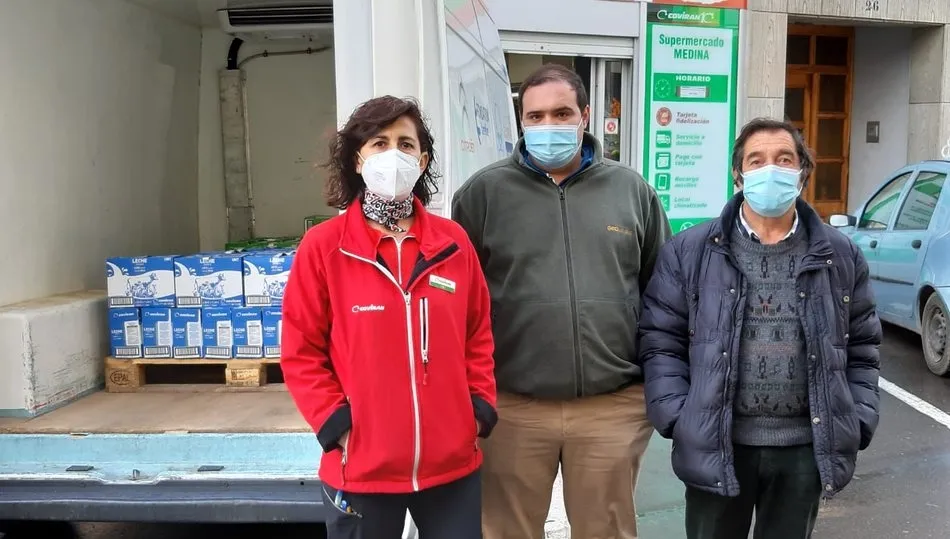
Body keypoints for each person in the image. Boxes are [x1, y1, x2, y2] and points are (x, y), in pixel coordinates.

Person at [452, 63, 672, 539]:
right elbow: (459, 305)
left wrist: (651, 391)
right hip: (512, 406)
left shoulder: (632, 191)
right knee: (505, 531)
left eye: (561, 113)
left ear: (585, 115)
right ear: (521, 122)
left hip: (610, 407)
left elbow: (664, 295)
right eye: (534, 116)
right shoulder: (482, 195)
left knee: (606, 532)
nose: (547, 126)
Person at [637, 117, 883, 539]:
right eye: (757, 160)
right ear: (739, 173)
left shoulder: (840, 255)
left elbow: (862, 346)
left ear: (803, 171)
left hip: (804, 450)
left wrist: (858, 418)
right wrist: (679, 417)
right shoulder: (690, 251)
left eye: (784, 159)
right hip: (717, 443)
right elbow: (661, 341)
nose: (771, 169)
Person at [281, 95, 498, 539]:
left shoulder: (452, 242)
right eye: (379, 143)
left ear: (422, 161)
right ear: (357, 160)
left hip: (451, 464)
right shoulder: (324, 247)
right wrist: (336, 425)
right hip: (361, 467)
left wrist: (477, 410)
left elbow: (477, 334)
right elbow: (301, 351)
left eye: (405, 143)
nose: (392, 154)